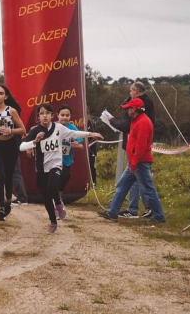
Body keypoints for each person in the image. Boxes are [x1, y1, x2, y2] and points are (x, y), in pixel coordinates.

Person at [21, 103, 101, 233]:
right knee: (46, 196)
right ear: (38, 117)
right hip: (41, 167)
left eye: (47, 113)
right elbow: (21, 146)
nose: (45, 116)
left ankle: (58, 202)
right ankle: (53, 221)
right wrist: (34, 142)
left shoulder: (59, 127)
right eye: (42, 113)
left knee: (53, 186)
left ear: (53, 116)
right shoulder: (35, 130)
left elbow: (74, 133)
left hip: (56, 164)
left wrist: (90, 133)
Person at [99, 98, 165, 226]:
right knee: (122, 185)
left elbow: (140, 146)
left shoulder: (143, 123)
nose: (127, 110)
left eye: (129, 108)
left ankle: (159, 215)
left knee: (148, 189)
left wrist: (134, 163)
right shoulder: (138, 121)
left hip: (139, 162)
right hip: (135, 161)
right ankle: (112, 212)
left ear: (134, 109)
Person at [109, 81, 157, 218]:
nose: (129, 93)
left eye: (131, 90)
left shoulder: (141, 113)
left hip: (138, 154)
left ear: (135, 91)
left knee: (143, 184)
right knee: (132, 183)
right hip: (135, 153)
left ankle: (149, 211)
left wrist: (113, 121)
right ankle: (119, 210)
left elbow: (128, 126)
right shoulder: (142, 107)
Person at [0, 85, 26, 221]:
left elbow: (23, 129)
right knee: (0, 175)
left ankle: (8, 200)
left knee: (8, 176)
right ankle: (0, 206)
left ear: (5, 96)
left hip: (10, 146)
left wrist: (11, 131)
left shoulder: (11, 111)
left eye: (1, 93)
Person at [55, 104, 83, 220]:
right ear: (57, 116)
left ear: (70, 116)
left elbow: (81, 145)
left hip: (66, 160)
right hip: (53, 161)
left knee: (64, 178)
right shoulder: (53, 127)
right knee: (53, 180)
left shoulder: (73, 128)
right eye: (62, 115)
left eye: (67, 115)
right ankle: (56, 204)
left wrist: (77, 145)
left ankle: (59, 199)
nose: (64, 118)